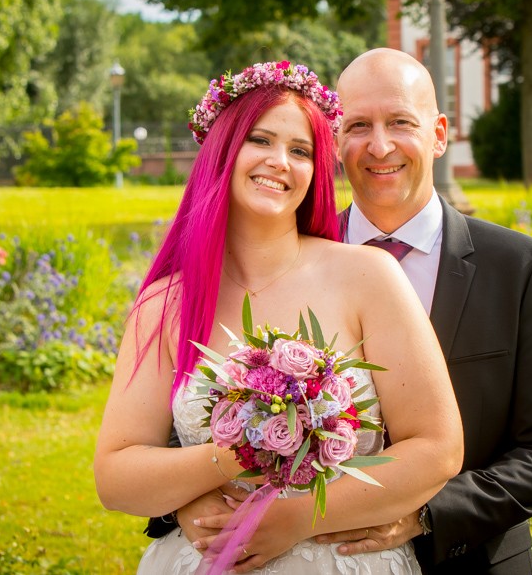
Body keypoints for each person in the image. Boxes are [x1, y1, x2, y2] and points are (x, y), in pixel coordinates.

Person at [165, 49, 532, 573]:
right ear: (334, 143)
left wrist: (424, 514)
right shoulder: (285, 256)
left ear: (439, 134)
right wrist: (185, 501)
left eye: (401, 122)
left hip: (469, 559)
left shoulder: (517, 266)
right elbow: (188, 406)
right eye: (358, 125)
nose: (379, 145)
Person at [94, 60, 463, 574]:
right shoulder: (165, 303)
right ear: (223, 150)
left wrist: (298, 519)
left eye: (301, 151)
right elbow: (115, 476)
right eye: (261, 141)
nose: (279, 162)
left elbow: (438, 449)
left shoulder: (369, 277)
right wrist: (230, 457)